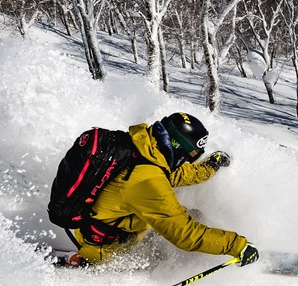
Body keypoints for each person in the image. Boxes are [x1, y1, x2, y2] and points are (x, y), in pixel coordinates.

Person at [50, 111, 259, 269]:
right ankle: (85, 261)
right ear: (177, 148)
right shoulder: (147, 182)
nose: (187, 161)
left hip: (114, 224)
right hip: (110, 249)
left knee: (192, 215)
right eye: (188, 156)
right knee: (184, 230)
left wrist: (210, 167)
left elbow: (175, 174)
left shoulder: (143, 149)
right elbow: (185, 235)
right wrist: (236, 245)